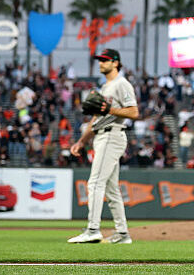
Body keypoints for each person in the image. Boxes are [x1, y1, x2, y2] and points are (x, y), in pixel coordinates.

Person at [67, 49, 139, 244]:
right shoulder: (105, 87)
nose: (101, 63)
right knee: (110, 188)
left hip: (112, 135)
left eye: (105, 60)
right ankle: (123, 233)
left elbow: (133, 112)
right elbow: (96, 119)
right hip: (101, 135)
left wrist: (110, 109)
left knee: (95, 182)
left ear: (116, 63)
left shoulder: (121, 84)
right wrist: (82, 141)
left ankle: (92, 229)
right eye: (100, 60)